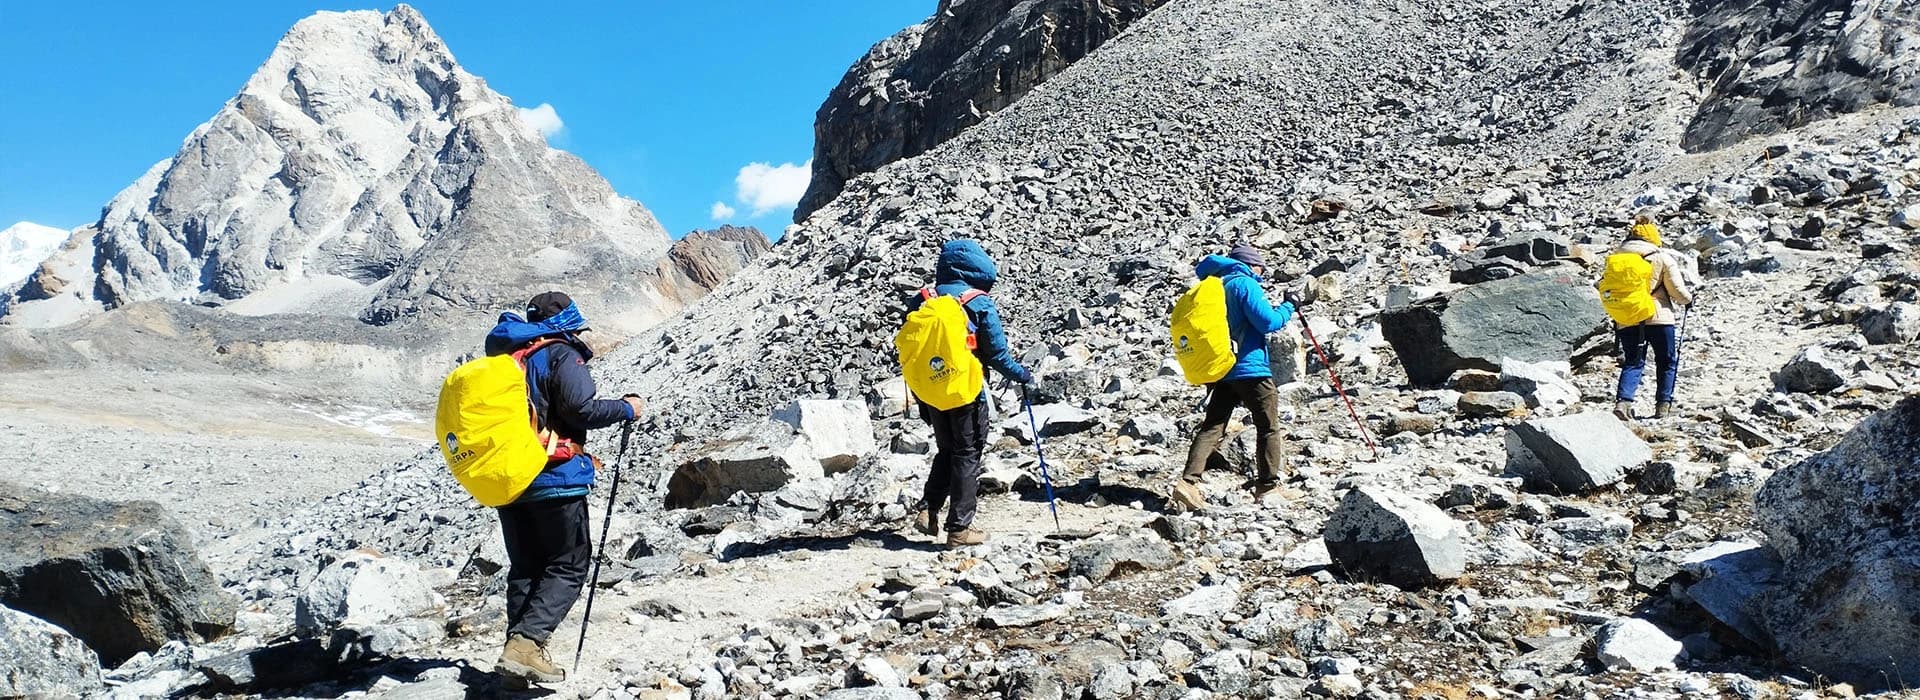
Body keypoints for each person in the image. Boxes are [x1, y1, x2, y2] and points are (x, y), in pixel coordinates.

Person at [483, 292, 644, 684]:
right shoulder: (559, 353)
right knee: (569, 565)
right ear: (566, 322)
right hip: (555, 478)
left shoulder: (507, 358)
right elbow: (580, 409)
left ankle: (516, 660)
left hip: (511, 479)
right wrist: (627, 408)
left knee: (526, 568)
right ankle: (526, 643)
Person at [905, 240, 1033, 547]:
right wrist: (1023, 375)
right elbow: (997, 356)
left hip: (930, 391)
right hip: (966, 390)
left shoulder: (922, 299)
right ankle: (959, 531)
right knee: (967, 454)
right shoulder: (977, 302)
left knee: (947, 450)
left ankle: (928, 510)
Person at [1172, 244, 1303, 511]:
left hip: (1222, 368)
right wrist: (1290, 306)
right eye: (1261, 268)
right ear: (1252, 265)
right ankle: (1267, 486)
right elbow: (1267, 322)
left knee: (1213, 425)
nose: (1263, 274)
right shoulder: (1245, 284)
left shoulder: (1216, 286)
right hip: (1251, 369)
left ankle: (1188, 483)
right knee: (1268, 425)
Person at [1612, 215, 1692, 419]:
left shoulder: (1616, 259)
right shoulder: (1662, 257)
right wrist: (1688, 300)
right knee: (1666, 361)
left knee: (1633, 360)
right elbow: (1677, 292)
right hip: (1659, 318)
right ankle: (1663, 407)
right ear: (1654, 237)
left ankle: (1623, 402)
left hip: (1628, 317)